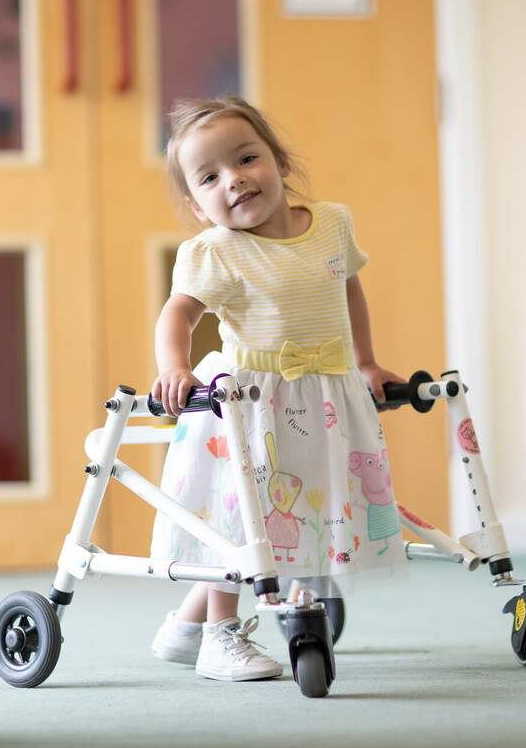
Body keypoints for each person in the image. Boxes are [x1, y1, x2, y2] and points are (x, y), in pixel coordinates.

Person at [148, 96, 407, 682]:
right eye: (210, 176)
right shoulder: (214, 250)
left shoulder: (332, 223)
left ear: (280, 162)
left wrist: (366, 362)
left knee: (300, 504)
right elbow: (178, 314)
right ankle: (219, 635)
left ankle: (181, 629)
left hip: (325, 395)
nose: (234, 180)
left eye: (246, 159)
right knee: (245, 517)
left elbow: (349, 291)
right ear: (196, 204)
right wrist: (175, 367)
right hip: (249, 401)